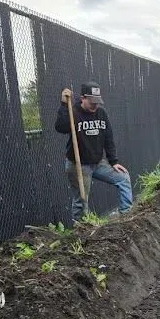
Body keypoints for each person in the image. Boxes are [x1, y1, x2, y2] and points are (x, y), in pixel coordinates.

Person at [55, 81, 133, 222]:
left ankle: (126, 217)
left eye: (97, 102)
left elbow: (108, 138)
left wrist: (113, 161)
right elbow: (60, 127)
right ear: (82, 98)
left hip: (98, 163)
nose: (95, 105)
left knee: (123, 178)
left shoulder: (101, 113)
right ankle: (81, 230)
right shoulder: (74, 113)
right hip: (78, 164)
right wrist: (64, 105)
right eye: (92, 102)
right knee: (81, 201)